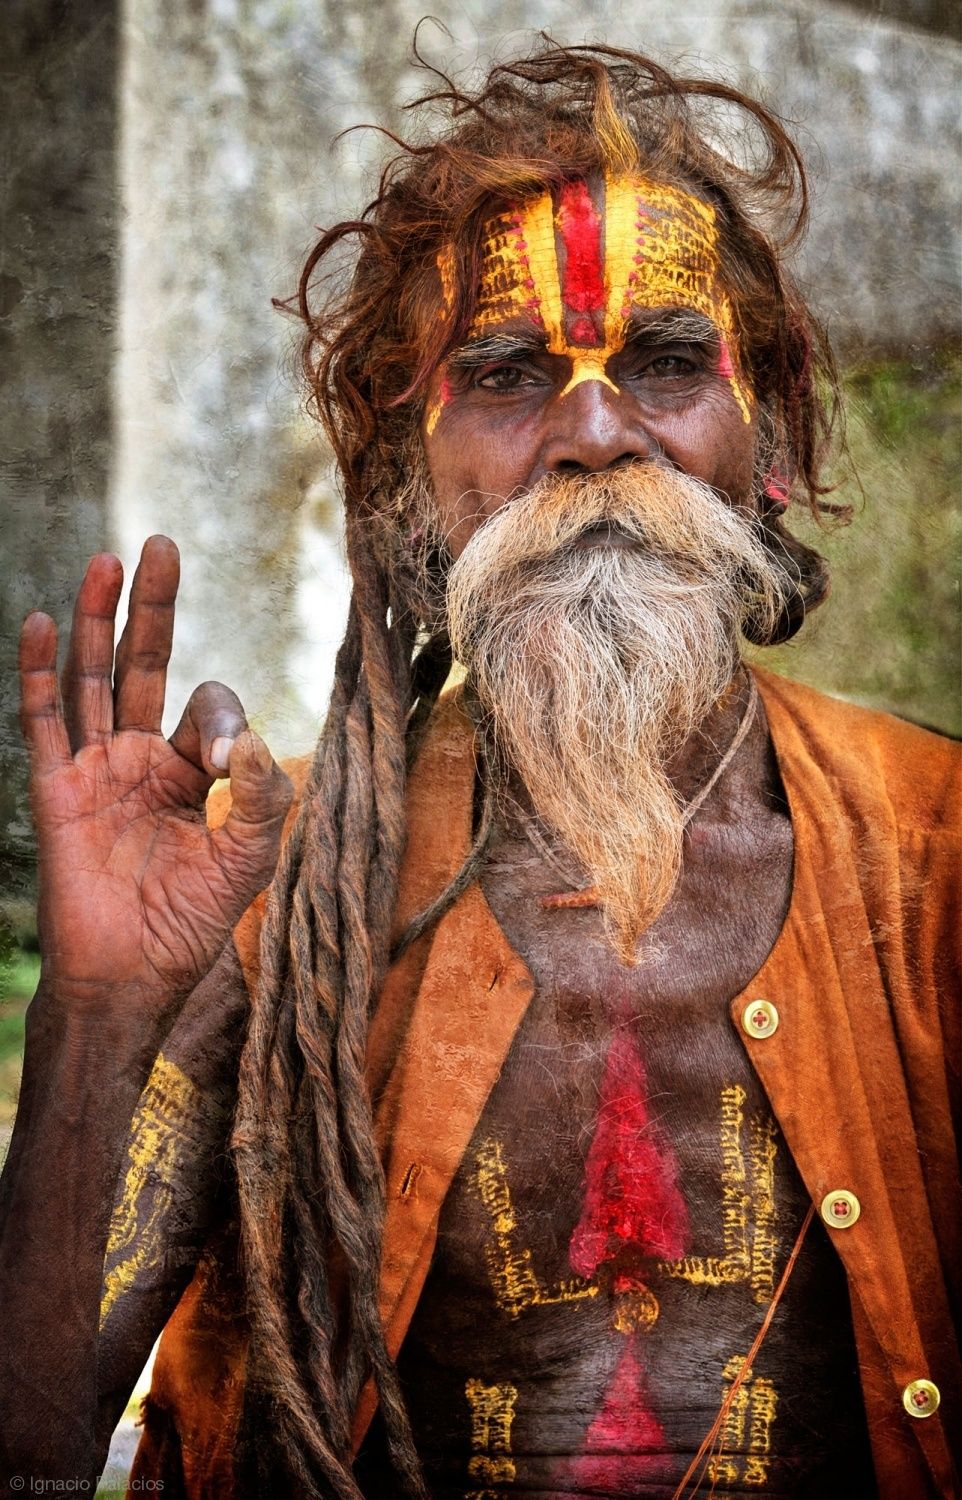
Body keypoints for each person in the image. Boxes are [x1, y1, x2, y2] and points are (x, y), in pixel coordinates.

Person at [1, 40, 958, 1500]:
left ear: (768, 431)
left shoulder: (931, 844)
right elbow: (31, 1439)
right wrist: (97, 1014)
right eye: (509, 376)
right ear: (400, 479)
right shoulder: (273, 883)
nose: (593, 433)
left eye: (663, 363)